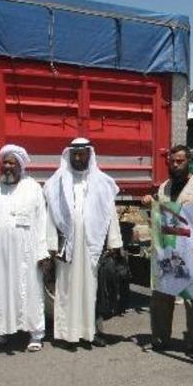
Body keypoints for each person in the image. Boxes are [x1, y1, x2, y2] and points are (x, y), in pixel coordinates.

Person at [44, 138, 123, 349]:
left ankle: (90, 333)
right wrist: (51, 244)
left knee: (91, 289)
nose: (78, 158)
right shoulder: (57, 181)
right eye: (75, 154)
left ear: (90, 155)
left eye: (82, 154)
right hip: (67, 246)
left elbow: (110, 214)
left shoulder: (103, 182)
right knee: (67, 290)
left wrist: (114, 241)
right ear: (69, 156)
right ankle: (67, 335)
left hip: (91, 245)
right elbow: (51, 215)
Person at [0, 144, 50, 352]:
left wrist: (43, 253)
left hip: (27, 253)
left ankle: (35, 335)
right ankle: (0, 334)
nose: (7, 166)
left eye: (12, 163)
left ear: (20, 166)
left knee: (30, 291)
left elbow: (42, 222)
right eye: (5, 162)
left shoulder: (33, 188)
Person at [141, 145, 193, 356]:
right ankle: (160, 338)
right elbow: (157, 214)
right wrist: (150, 203)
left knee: (191, 299)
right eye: (172, 161)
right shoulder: (164, 187)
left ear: (189, 162)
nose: (175, 165)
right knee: (161, 295)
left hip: (191, 251)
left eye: (180, 161)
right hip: (167, 249)